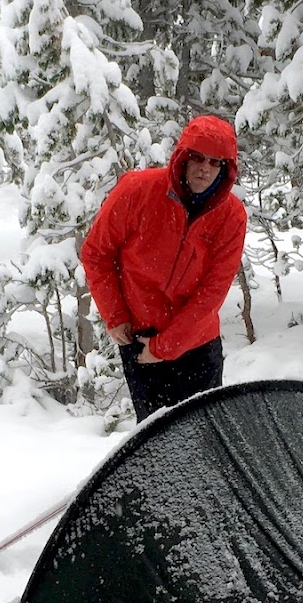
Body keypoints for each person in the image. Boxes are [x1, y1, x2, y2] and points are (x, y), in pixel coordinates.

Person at [80, 115, 248, 421]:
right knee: (156, 445)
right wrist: (115, 316)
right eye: (198, 157)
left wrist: (167, 346)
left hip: (197, 343)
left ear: (226, 168)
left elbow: (212, 292)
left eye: (215, 162)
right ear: (183, 156)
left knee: (206, 440)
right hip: (140, 341)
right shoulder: (137, 190)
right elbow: (96, 254)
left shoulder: (231, 216)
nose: (204, 168)